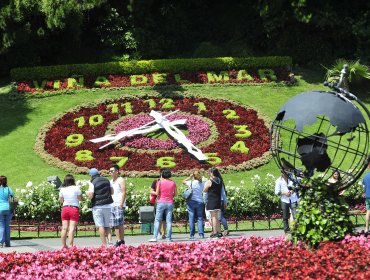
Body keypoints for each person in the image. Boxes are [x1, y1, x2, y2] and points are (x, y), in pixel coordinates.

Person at [86, 168, 114, 246]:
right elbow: (112, 192)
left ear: (91, 175)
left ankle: (104, 244)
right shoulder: (107, 180)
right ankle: (110, 242)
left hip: (97, 206)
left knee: (100, 225)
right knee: (107, 225)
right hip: (108, 205)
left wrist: (87, 194)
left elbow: (91, 196)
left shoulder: (92, 182)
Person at [149, 168, 177, 242]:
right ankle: (169, 237)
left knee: (158, 220)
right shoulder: (173, 183)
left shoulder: (160, 182)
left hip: (161, 202)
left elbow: (157, 193)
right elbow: (175, 193)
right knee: (169, 221)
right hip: (170, 202)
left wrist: (151, 192)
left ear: (162, 174)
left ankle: (155, 237)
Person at [59, 174, 82, 248]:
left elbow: (61, 201)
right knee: (71, 228)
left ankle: (63, 245)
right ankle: (71, 245)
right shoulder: (76, 188)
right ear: (73, 180)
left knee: (64, 228)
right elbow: (80, 198)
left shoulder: (62, 189)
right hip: (74, 208)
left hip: (65, 208)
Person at [183, 171, 205, 239]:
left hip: (191, 201)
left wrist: (189, 177)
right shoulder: (202, 183)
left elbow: (183, 181)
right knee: (200, 218)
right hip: (200, 201)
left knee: (191, 218)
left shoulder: (191, 182)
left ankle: (192, 235)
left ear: (193, 176)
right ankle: (201, 234)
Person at [109, 164, 126, 246]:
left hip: (119, 203)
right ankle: (118, 240)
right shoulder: (110, 181)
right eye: (110, 171)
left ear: (117, 171)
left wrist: (121, 203)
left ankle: (122, 240)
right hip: (112, 204)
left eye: (112, 171)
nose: (110, 172)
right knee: (114, 224)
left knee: (120, 223)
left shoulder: (121, 180)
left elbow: (124, 192)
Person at [203, 167, 223, 238]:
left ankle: (215, 232)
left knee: (213, 217)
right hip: (218, 200)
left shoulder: (210, 181)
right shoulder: (220, 180)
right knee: (217, 217)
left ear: (212, 173)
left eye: (210, 172)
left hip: (212, 200)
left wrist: (206, 186)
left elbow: (204, 190)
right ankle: (219, 232)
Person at [150, 170, 166, 239]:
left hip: (166, 201)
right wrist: (156, 193)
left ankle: (163, 233)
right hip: (158, 201)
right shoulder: (156, 181)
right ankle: (158, 232)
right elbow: (151, 190)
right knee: (158, 218)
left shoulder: (168, 181)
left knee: (164, 219)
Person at [0, 176, 14, 248]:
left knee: (1, 226)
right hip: (8, 208)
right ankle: (7, 243)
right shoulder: (9, 188)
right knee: (7, 226)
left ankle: (1, 242)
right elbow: (13, 197)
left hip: (0, 209)